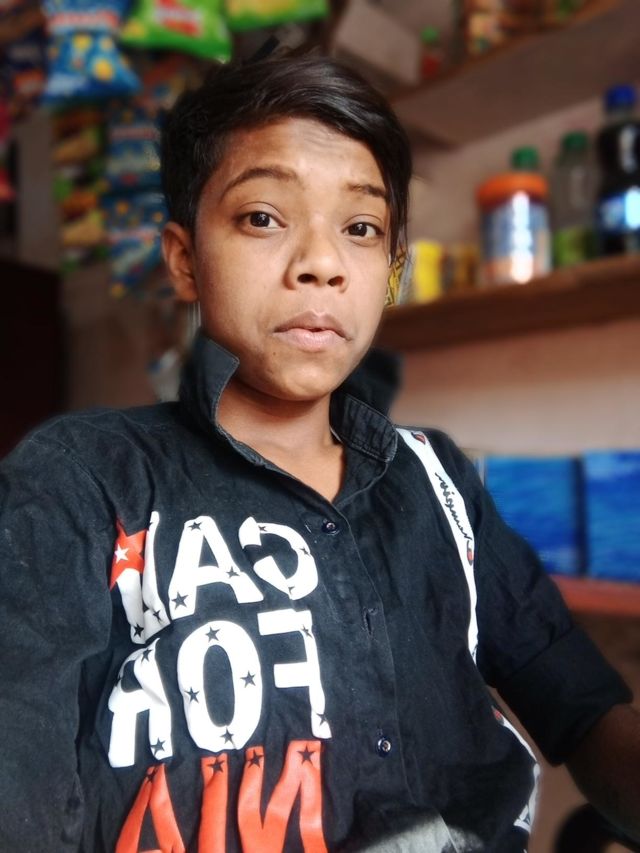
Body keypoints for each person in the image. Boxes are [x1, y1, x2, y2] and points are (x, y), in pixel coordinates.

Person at [0, 54, 638, 853]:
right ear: (184, 258)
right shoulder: (80, 479)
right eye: (263, 217)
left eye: (360, 228)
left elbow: (584, 708)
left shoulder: (436, 480)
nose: (322, 264)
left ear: (391, 271)